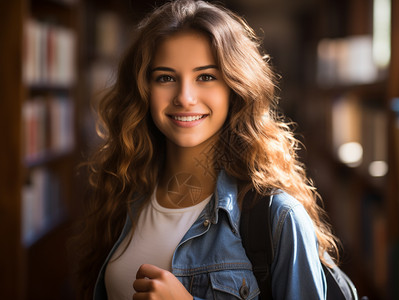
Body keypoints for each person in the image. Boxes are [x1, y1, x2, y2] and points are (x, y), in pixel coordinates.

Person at [73, 0, 339, 299]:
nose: (185, 97)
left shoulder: (278, 216)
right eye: (166, 78)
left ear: (235, 88)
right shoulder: (122, 191)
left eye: (206, 77)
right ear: (143, 90)